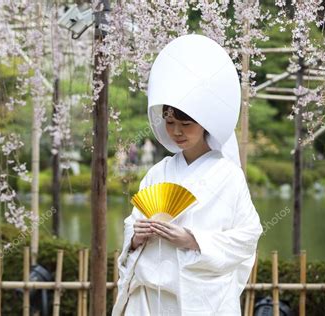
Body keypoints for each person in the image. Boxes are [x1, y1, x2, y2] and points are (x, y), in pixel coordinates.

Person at [112, 34, 263, 316]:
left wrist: (192, 239)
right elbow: (132, 225)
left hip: (198, 301)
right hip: (147, 301)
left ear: (204, 123)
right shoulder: (159, 172)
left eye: (186, 124)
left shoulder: (228, 176)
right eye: (170, 123)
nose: (177, 132)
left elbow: (248, 237)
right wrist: (136, 236)